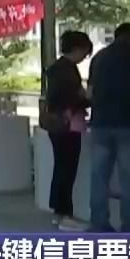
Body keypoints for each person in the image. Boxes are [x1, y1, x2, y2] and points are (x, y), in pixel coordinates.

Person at [88, 23, 130, 233]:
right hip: (129, 123)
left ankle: (99, 223)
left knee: (99, 177)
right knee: (129, 179)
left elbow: (90, 91)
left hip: (100, 123)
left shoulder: (99, 57)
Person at [42, 30, 92, 231]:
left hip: (58, 123)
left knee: (61, 167)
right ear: (78, 48)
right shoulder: (68, 71)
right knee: (67, 169)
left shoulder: (56, 69)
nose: (84, 57)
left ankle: (59, 212)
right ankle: (64, 213)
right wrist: (87, 98)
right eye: (84, 53)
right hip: (68, 124)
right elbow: (72, 97)